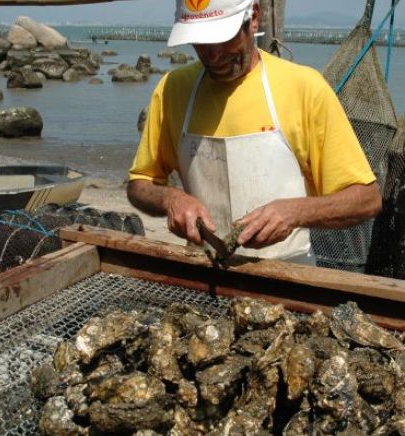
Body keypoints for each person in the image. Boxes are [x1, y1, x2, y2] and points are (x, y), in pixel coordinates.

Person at [127, 0, 381, 265]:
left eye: (222, 39)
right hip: (203, 271)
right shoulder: (173, 90)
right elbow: (140, 184)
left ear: (254, 17)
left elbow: (366, 199)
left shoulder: (304, 88)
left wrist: (295, 212)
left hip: (287, 272)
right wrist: (171, 198)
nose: (212, 56)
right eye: (201, 42)